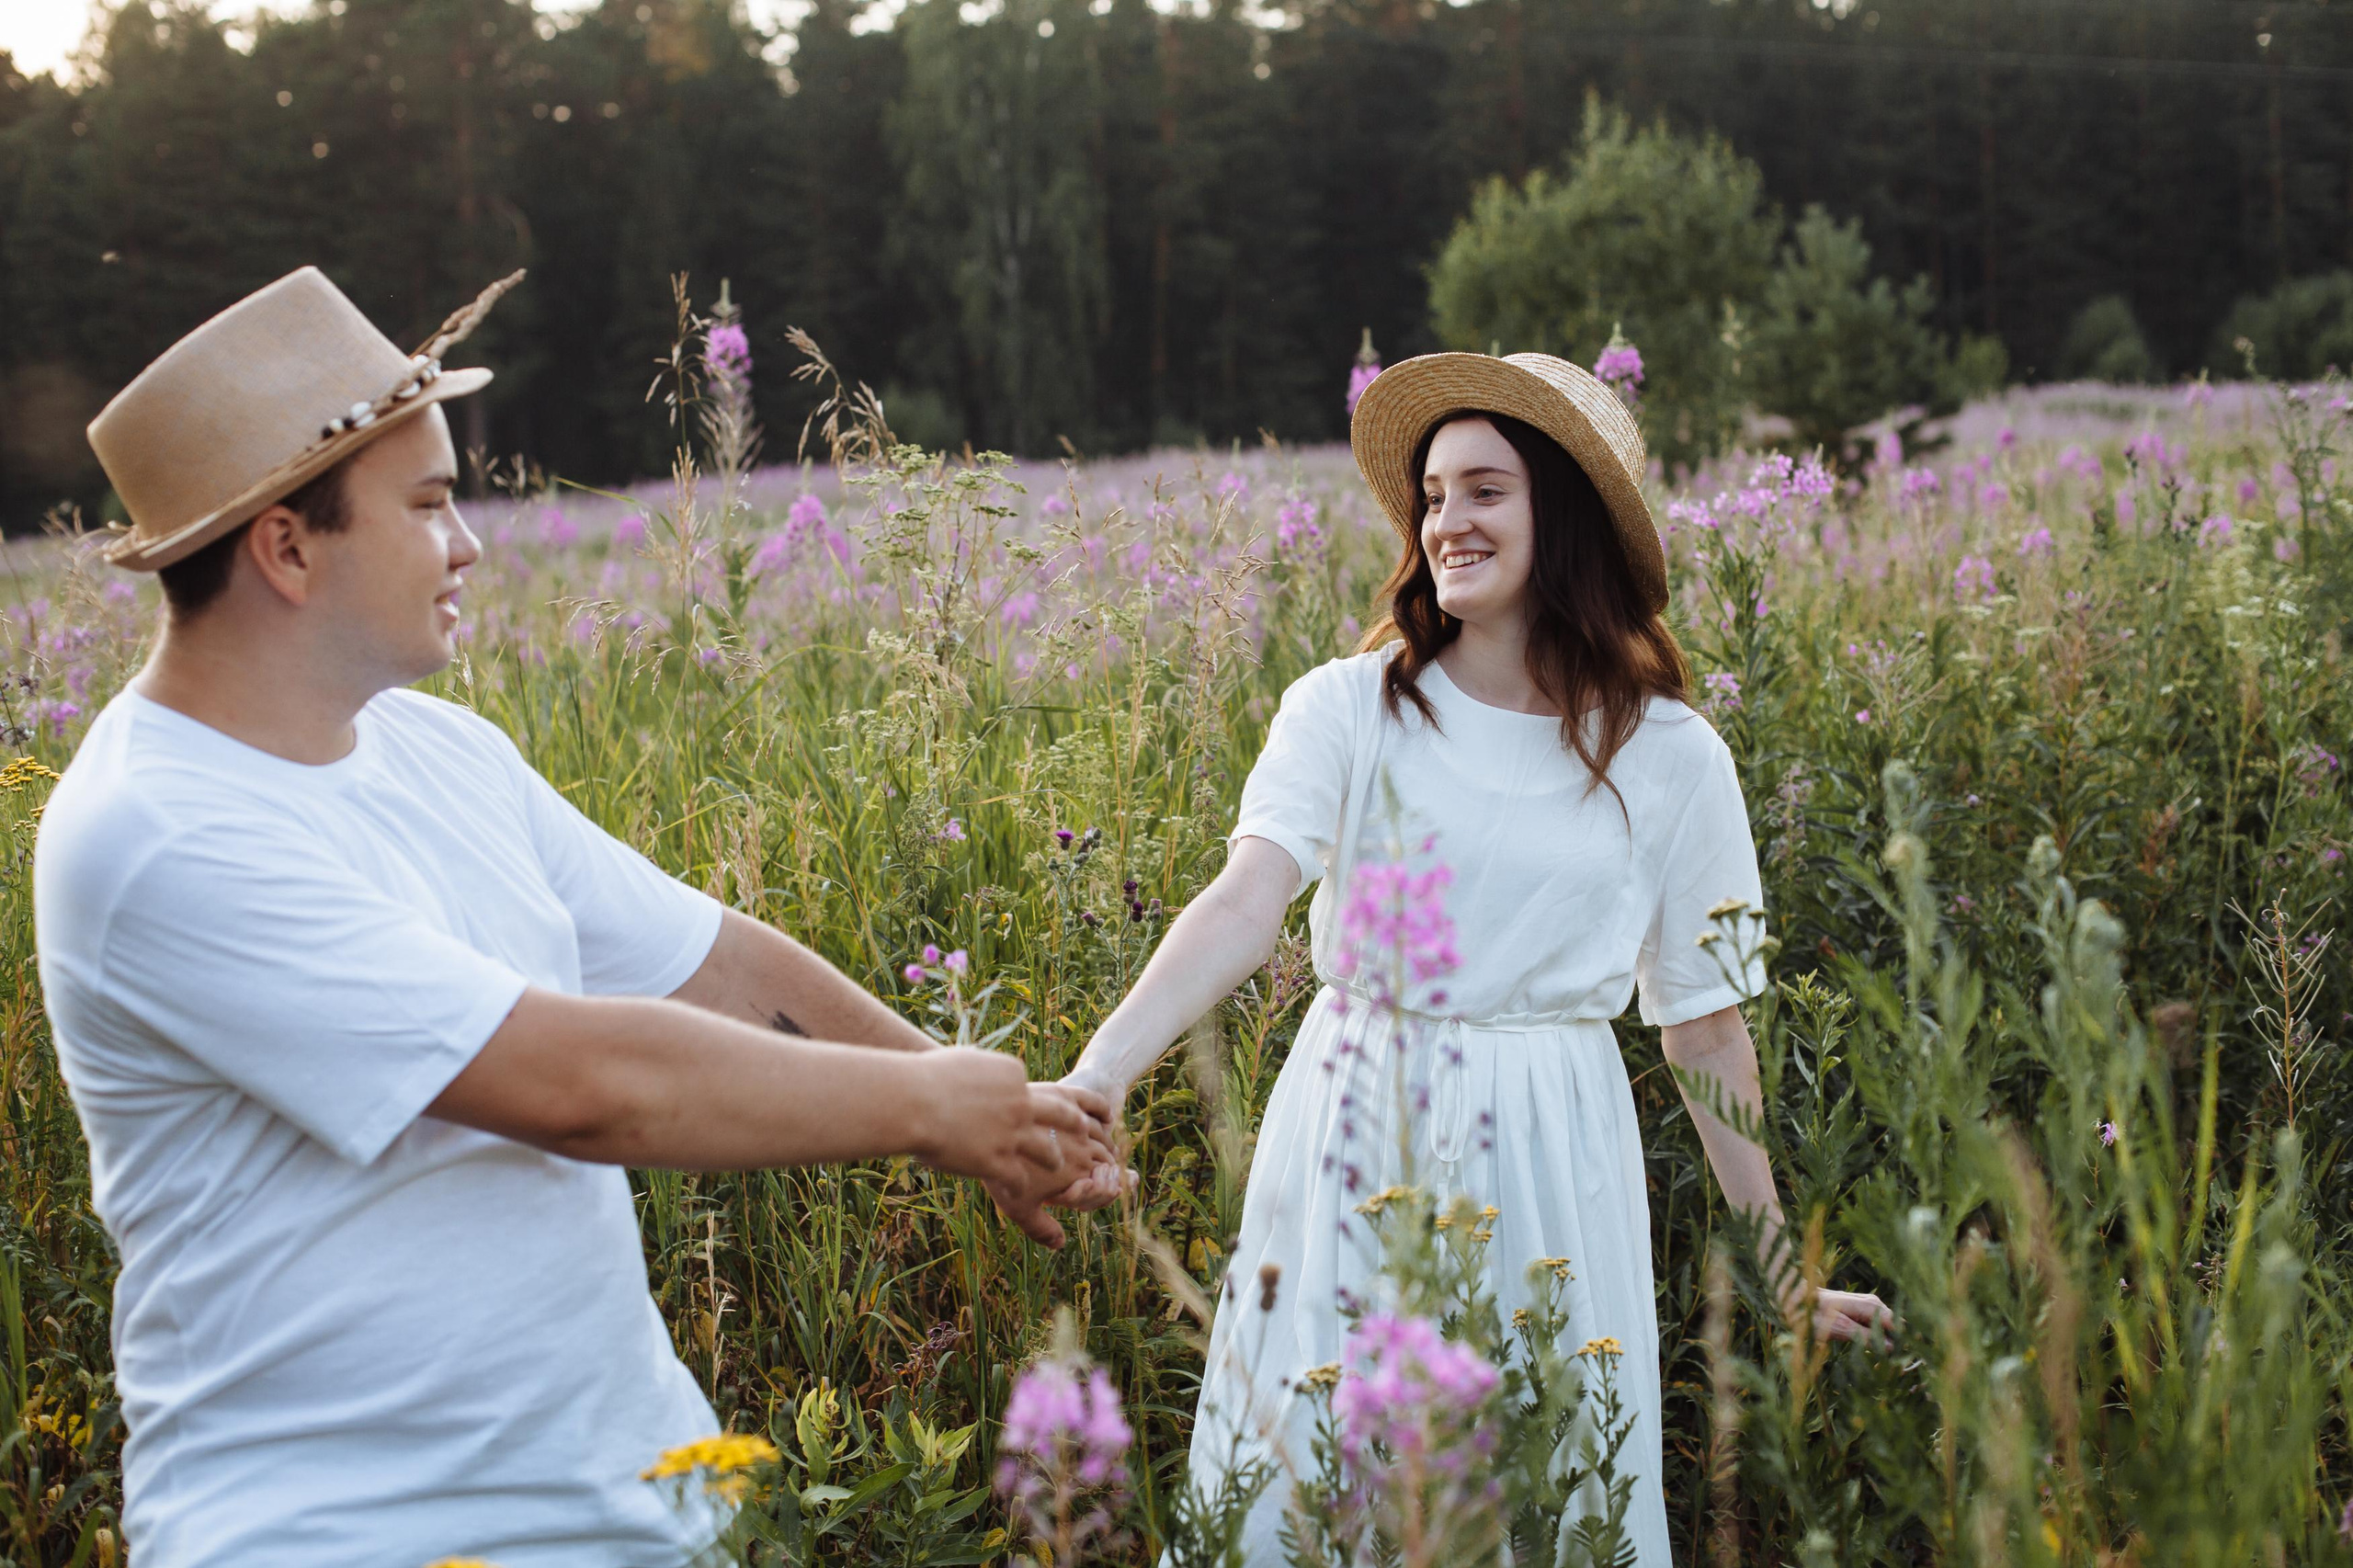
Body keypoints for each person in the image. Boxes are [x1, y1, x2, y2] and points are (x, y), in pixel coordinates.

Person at [36, 267, 1117, 1568]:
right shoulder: (157, 834)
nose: (472, 543)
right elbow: (576, 1081)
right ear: (286, 545)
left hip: (629, 1507)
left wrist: (998, 1123)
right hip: (344, 1532)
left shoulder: (438, 749)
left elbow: (705, 960)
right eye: (429, 506)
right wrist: (936, 1109)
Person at [1053, 352, 1891, 1562]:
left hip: (1555, 1149)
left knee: (1538, 1482)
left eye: (1485, 490)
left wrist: (1778, 1271)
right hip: (1353, 1123)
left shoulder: (1673, 754)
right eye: (1434, 497)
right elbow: (1245, 904)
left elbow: (1706, 1026)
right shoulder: (1347, 708)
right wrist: (1102, 1070)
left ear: (1566, 512)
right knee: (1319, 1468)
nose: (1448, 521)